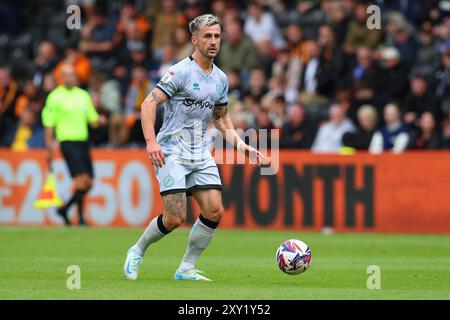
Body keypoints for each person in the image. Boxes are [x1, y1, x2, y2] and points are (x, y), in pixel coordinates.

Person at [123, 14, 270, 282]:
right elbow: (148, 104)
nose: (213, 41)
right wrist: (151, 142)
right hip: (171, 151)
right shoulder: (179, 72)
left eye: (217, 36)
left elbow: (221, 117)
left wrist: (242, 146)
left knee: (214, 210)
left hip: (200, 151)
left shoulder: (221, 79)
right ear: (194, 40)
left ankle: (186, 268)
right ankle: (137, 249)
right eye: (207, 36)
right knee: (175, 218)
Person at [41, 63, 101, 226]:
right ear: (61, 77)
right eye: (67, 75)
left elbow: (92, 118)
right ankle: (76, 215)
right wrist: (48, 148)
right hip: (67, 141)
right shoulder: (54, 97)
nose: (71, 77)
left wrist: (99, 119)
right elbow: (49, 124)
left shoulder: (83, 95)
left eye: (73, 74)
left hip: (83, 141)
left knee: (88, 182)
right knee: (83, 181)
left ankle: (68, 210)